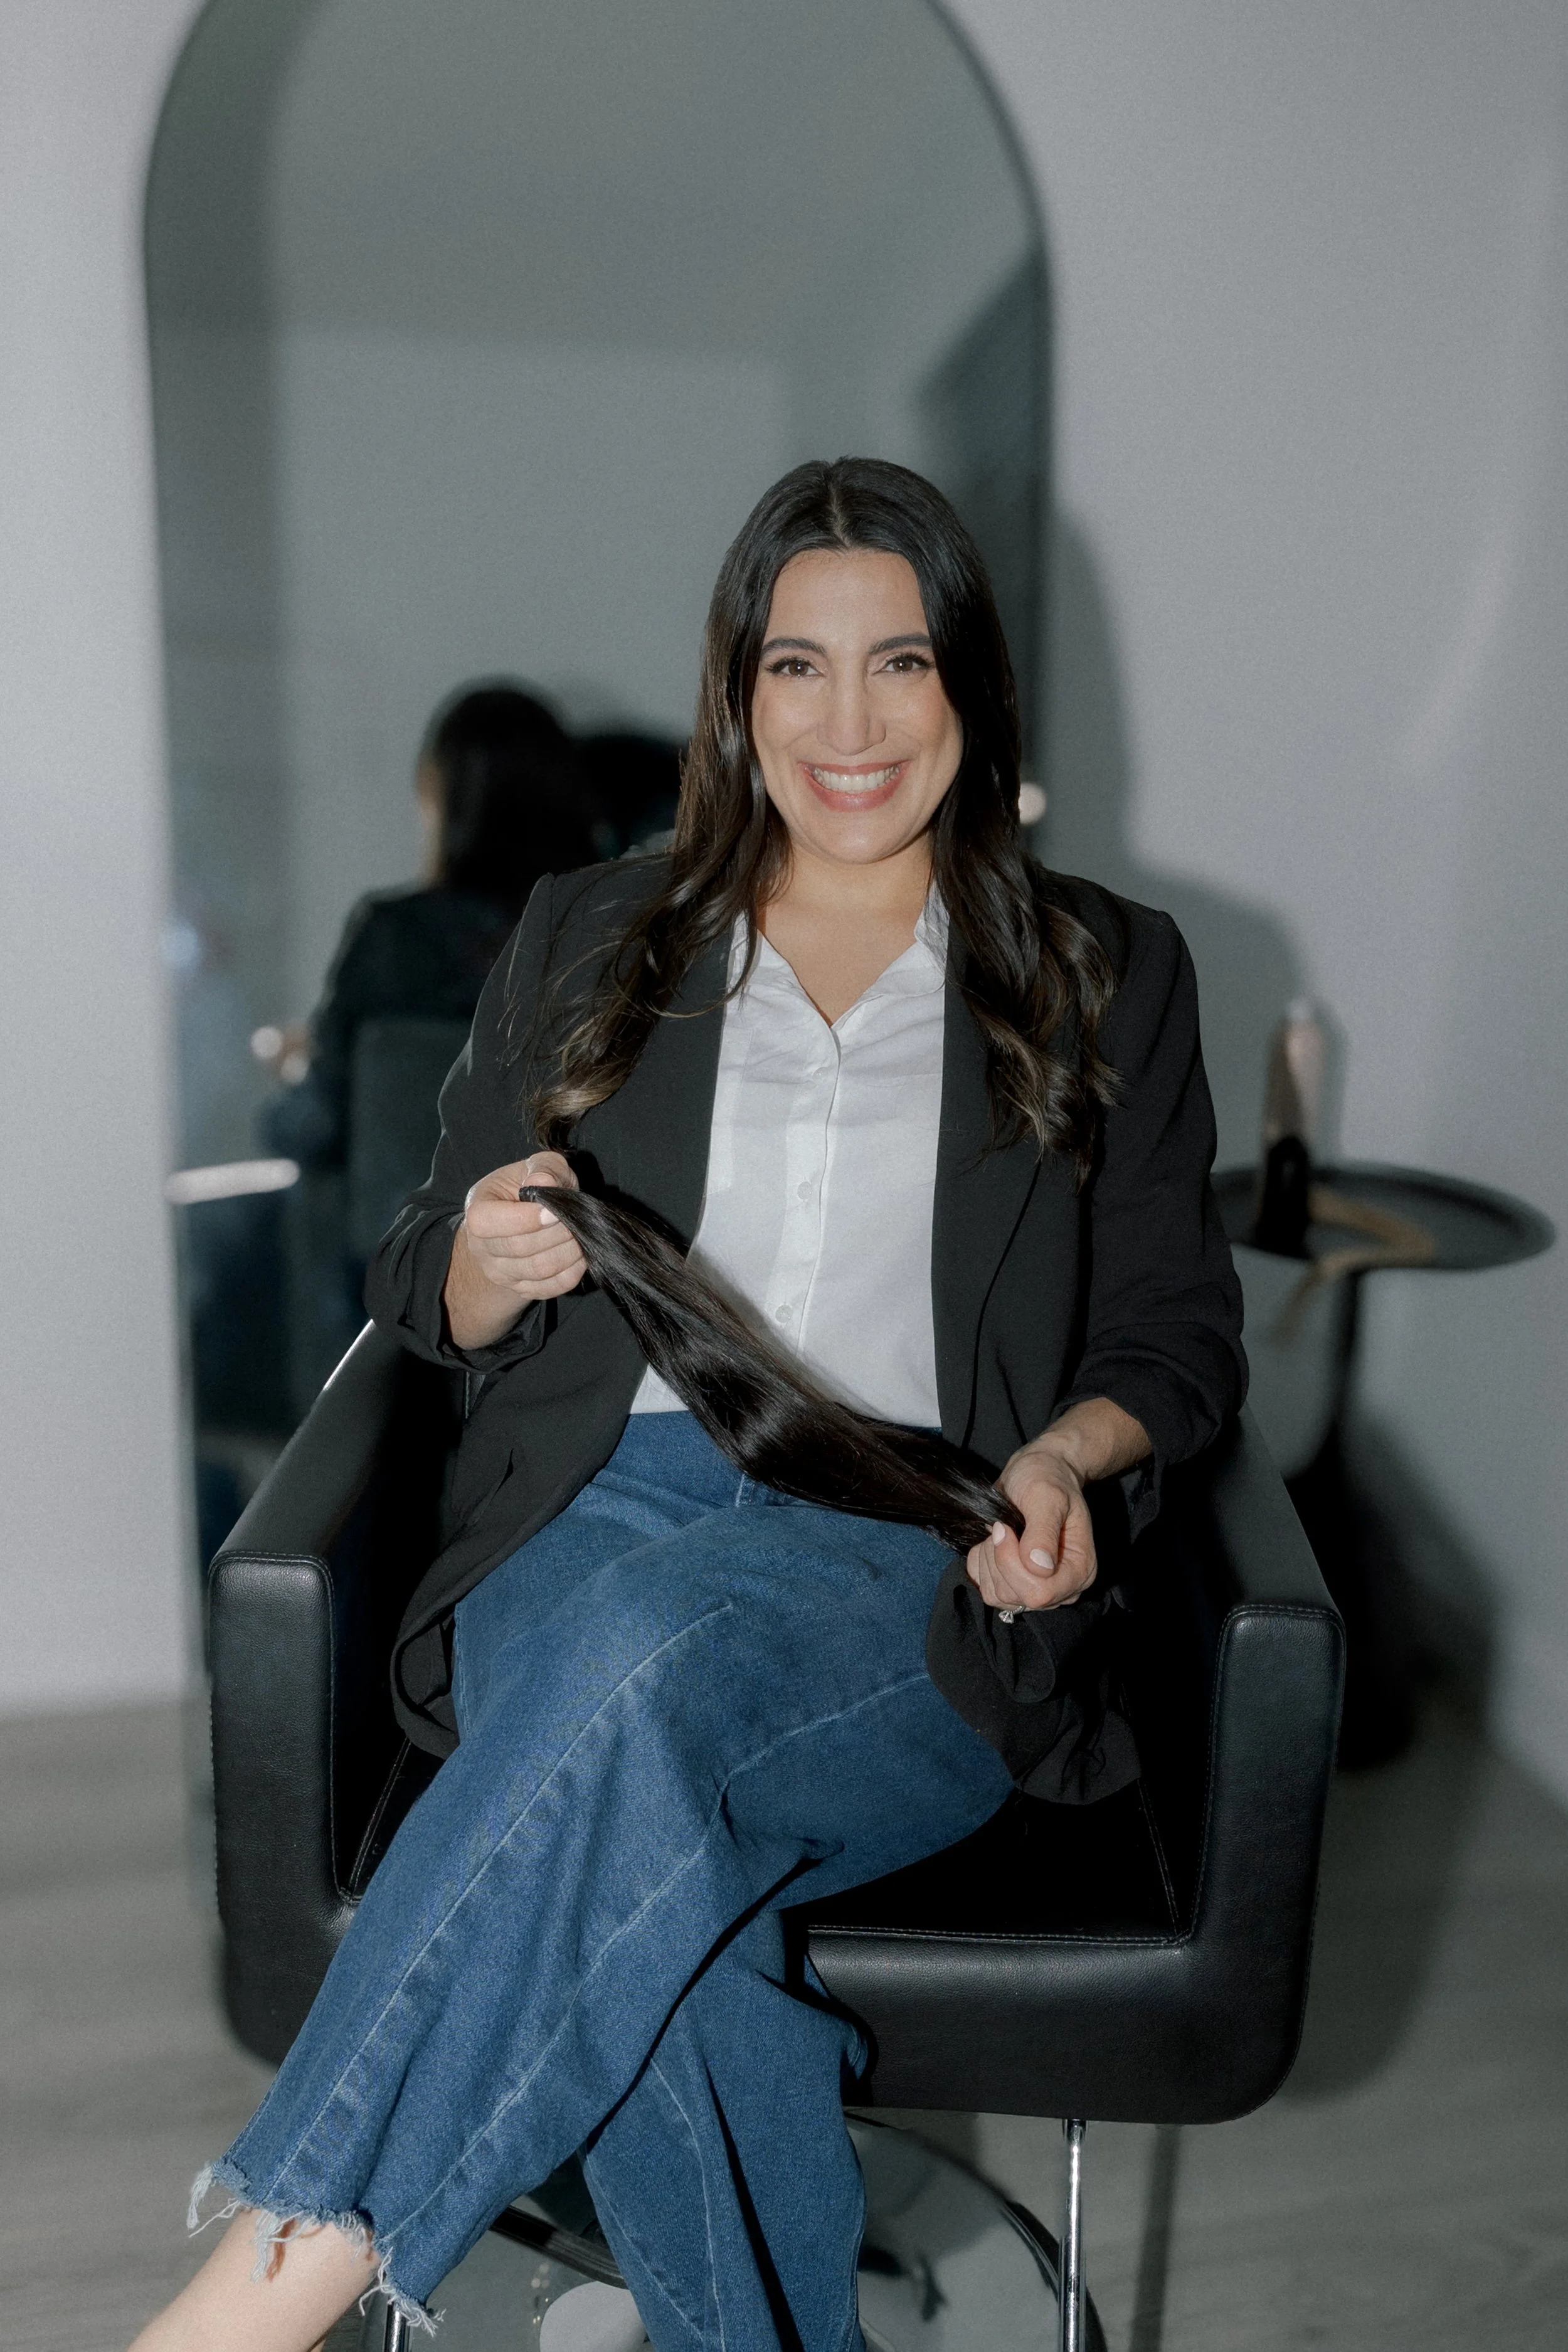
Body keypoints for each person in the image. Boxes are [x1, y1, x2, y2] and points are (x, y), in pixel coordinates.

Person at [132, 458, 1244, 2352]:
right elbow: (418, 1269)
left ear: (967, 685)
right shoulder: (584, 928)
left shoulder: (1097, 970)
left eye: (897, 661)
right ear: (733, 694)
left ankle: (246, 2299)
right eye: (794, 666)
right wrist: (484, 1254)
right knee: (651, 1795)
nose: (848, 719)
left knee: (640, 1733)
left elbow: (1172, 1329)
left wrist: (1069, 1450)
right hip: (581, 1518)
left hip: (903, 1554)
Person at [262, 680, 601, 1171]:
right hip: (557, 1226)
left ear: (436, 795)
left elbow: (312, 1126)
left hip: (401, 1236)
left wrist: (297, 1070)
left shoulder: (394, 938)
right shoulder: (603, 929)